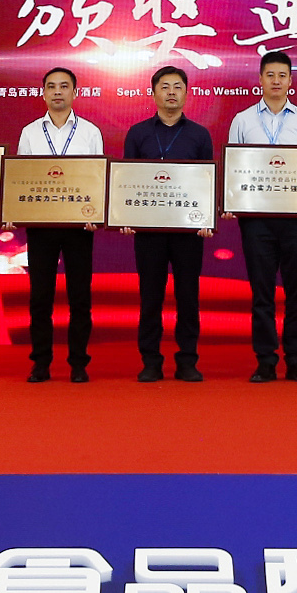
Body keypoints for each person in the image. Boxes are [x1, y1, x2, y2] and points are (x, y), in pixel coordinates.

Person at [227, 50, 297, 383]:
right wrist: (231, 199)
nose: (276, 81)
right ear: (260, 80)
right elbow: (234, 168)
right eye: (270, 75)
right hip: (257, 220)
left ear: (291, 81)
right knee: (262, 292)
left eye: (282, 76)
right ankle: (265, 361)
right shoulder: (242, 120)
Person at [121, 65, 212, 383]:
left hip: (188, 231)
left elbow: (207, 182)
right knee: (150, 297)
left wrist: (206, 218)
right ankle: (151, 360)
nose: (171, 92)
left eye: (177, 87)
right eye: (164, 87)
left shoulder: (199, 134)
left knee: (188, 296)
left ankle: (187, 360)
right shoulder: (138, 133)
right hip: (149, 231)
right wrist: (126, 216)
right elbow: (127, 180)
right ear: (153, 93)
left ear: (186, 93)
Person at [17, 66, 103, 383]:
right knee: (40, 297)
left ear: (75, 93)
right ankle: (41, 362)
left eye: (64, 86)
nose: (57, 91)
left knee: (80, 297)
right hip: (41, 225)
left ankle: (79, 363)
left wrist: (96, 214)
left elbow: (97, 179)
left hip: (79, 226)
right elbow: (21, 178)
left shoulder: (90, 132)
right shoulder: (30, 132)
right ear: (43, 93)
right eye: (51, 86)